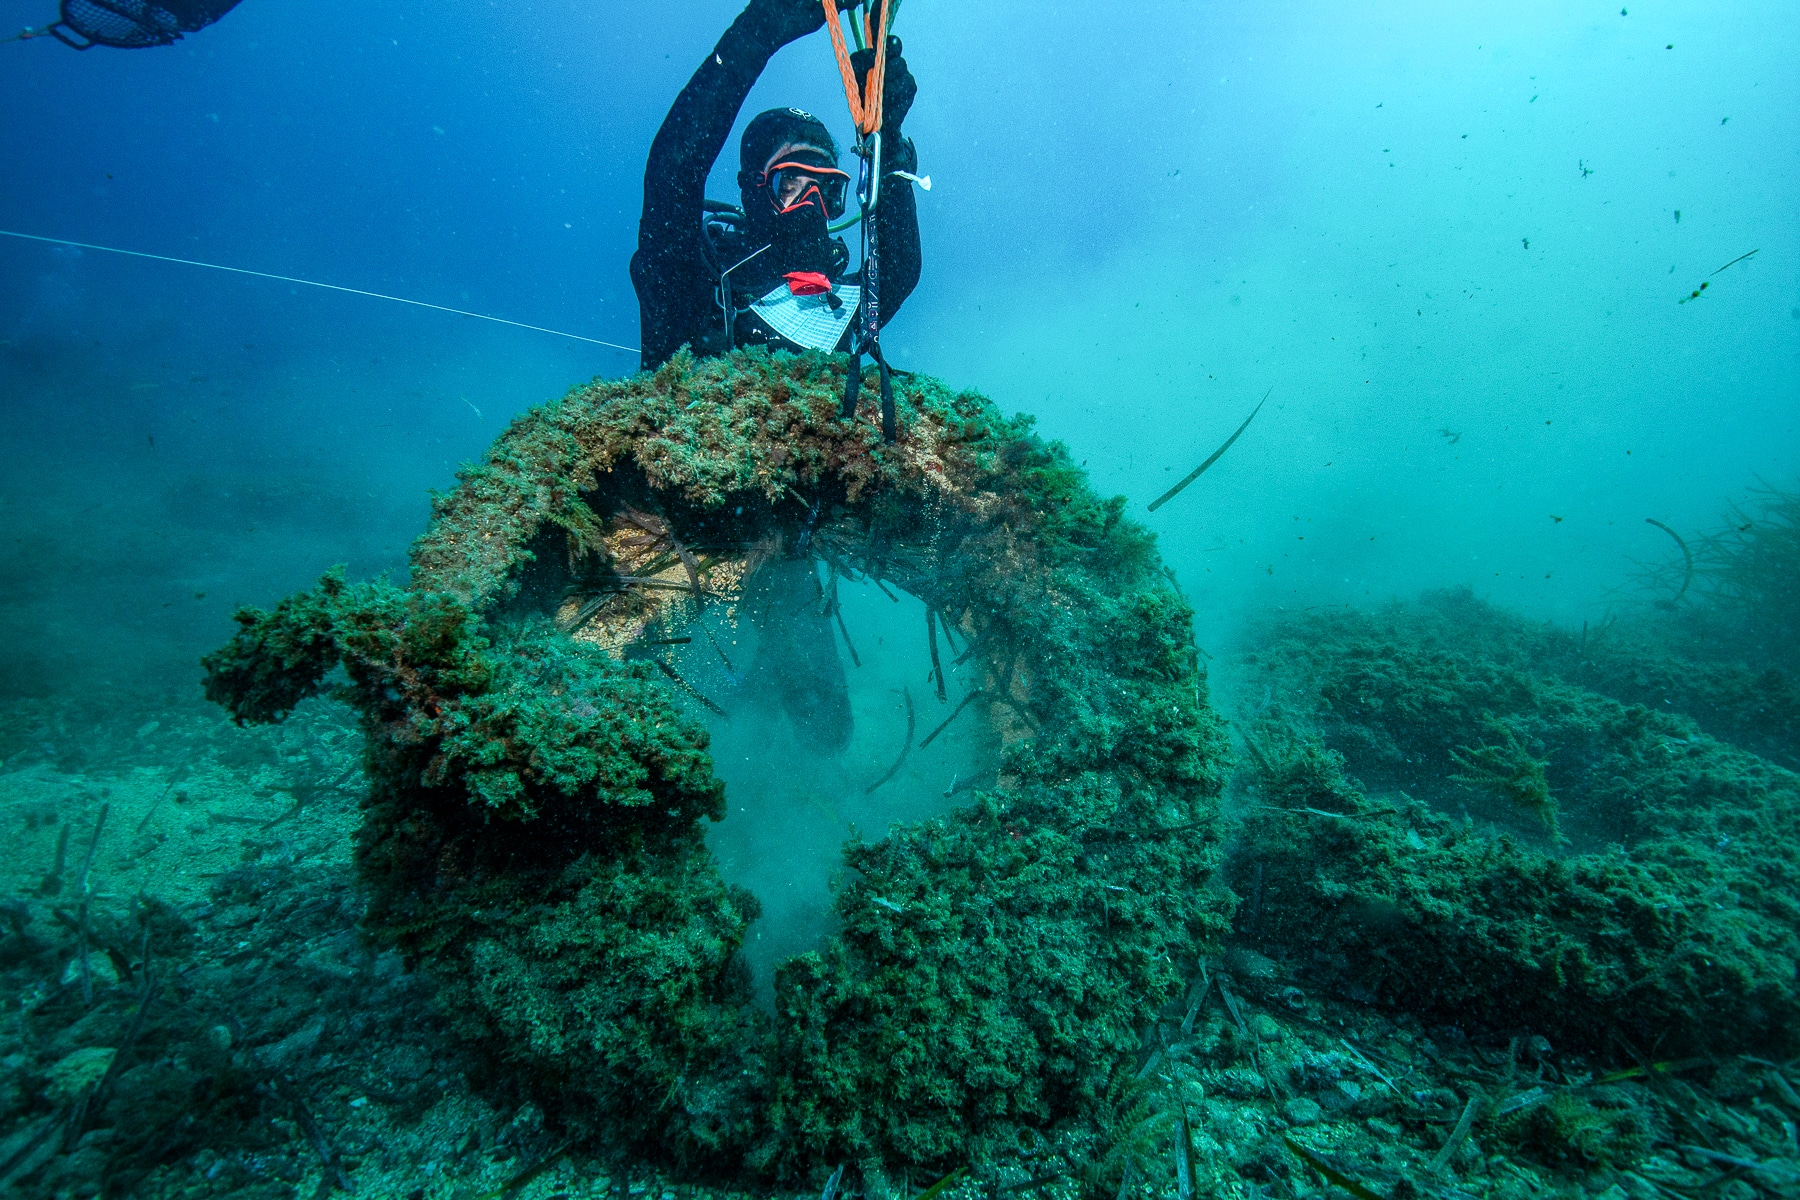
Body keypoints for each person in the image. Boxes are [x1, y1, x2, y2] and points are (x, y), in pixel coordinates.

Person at [631, 0, 921, 372]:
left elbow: (901, 267)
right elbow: (672, 172)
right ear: (754, 189)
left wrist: (891, 143)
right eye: (791, 182)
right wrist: (760, 29)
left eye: (827, 189)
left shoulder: (845, 303)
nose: (812, 203)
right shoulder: (698, 286)